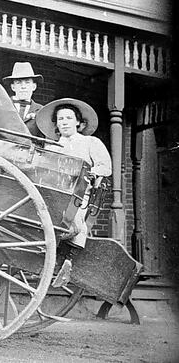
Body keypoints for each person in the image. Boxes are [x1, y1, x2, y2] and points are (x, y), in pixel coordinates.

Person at [35, 98, 111, 288]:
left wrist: (94, 172)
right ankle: (45, 255)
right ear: (56, 124)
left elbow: (105, 166)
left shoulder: (90, 142)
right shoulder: (52, 146)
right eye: (60, 119)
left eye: (69, 118)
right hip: (54, 193)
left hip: (79, 195)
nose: (65, 122)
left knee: (76, 225)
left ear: (78, 122)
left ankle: (68, 260)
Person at [3, 62, 44, 136]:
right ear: (13, 87)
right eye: (18, 83)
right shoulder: (3, 106)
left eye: (27, 82)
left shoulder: (41, 110)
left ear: (34, 86)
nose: (23, 86)